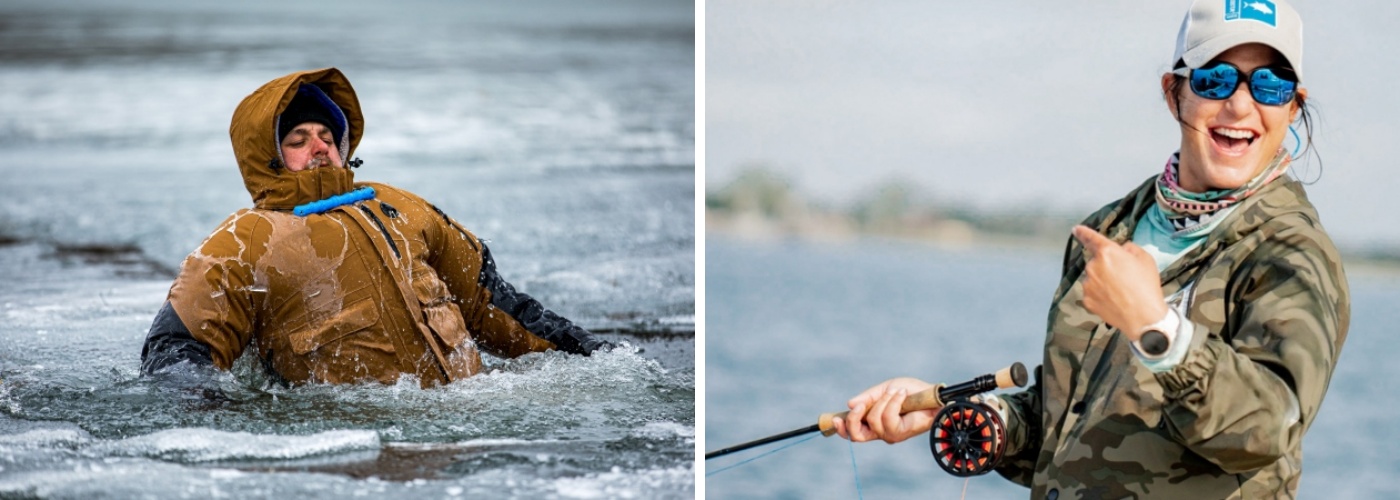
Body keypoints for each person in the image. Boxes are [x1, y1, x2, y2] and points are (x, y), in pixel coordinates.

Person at [831, 1, 1349, 497]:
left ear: (1293, 106)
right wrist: (964, 416)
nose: (1240, 104)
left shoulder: (1292, 253)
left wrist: (1158, 329)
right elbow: (1069, 423)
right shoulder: (1108, 230)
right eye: (1215, 79)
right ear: (1175, 95)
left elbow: (1267, 429)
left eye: (1270, 85)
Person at [140, 68, 612, 388]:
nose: (319, 147)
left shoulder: (401, 205)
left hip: (466, 425)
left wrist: (595, 354)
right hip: (345, 447)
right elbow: (177, 353)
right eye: (298, 140)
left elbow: (492, 303)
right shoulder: (243, 241)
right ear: (267, 156)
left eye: (328, 136)